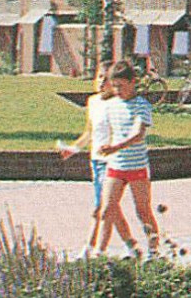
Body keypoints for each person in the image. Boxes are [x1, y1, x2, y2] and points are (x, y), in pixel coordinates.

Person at [98, 60, 161, 257]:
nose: (117, 90)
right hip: (116, 165)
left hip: (137, 166)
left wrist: (115, 147)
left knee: (142, 210)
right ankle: (128, 245)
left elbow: (138, 134)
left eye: (121, 86)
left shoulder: (141, 105)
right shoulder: (111, 105)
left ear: (133, 82)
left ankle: (154, 249)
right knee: (108, 209)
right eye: (114, 86)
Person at [59, 61, 117, 258]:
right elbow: (89, 132)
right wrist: (74, 148)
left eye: (107, 79)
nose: (102, 82)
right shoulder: (92, 102)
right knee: (109, 208)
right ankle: (133, 245)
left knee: (101, 207)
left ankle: (92, 249)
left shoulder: (118, 103)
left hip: (113, 162)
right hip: (96, 161)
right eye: (100, 77)